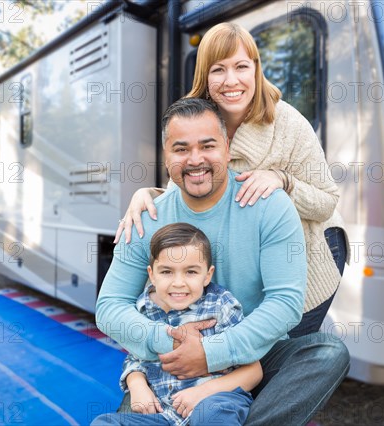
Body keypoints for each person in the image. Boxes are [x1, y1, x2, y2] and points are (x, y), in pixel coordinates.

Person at [96, 97, 349, 425]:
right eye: (181, 148)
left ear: (227, 147)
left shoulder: (269, 205)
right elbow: (110, 307)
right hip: (170, 361)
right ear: (166, 155)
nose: (195, 159)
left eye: (208, 145)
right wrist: (170, 342)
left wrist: (211, 353)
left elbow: (285, 303)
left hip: (251, 355)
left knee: (327, 353)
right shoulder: (148, 215)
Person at [115, 22, 348, 337]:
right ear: (205, 77)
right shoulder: (198, 119)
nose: (231, 81)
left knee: (281, 349)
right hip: (250, 256)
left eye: (241, 67)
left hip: (311, 248)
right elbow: (189, 183)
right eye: (218, 70)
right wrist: (149, 194)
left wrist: (284, 180)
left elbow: (327, 201)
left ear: (255, 69)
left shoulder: (288, 123)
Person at [92, 223, 261, 425]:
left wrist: (202, 392)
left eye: (190, 272)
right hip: (165, 414)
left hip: (215, 401)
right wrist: (137, 385)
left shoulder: (220, 305)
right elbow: (136, 358)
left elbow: (253, 370)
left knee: (211, 416)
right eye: (166, 272)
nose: (178, 282)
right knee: (104, 422)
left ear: (207, 275)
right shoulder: (144, 308)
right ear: (152, 274)